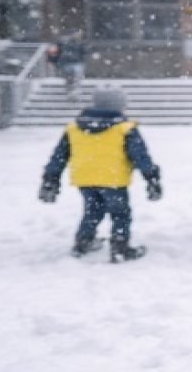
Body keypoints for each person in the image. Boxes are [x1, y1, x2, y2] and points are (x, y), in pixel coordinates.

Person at [39, 84, 162, 262]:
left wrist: (50, 179)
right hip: (113, 179)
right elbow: (140, 156)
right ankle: (120, 247)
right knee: (120, 213)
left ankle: (83, 242)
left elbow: (59, 156)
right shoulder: (125, 128)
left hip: (84, 178)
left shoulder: (74, 127)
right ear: (119, 105)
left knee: (93, 210)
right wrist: (151, 178)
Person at [46, 31, 87, 101]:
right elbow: (55, 52)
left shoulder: (79, 43)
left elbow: (84, 51)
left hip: (76, 63)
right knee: (69, 79)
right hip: (67, 64)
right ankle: (70, 92)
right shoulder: (63, 42)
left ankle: (74, 92)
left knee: (76, 77)